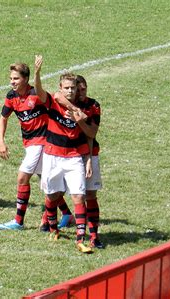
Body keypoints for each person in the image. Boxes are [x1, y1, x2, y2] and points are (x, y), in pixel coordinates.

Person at [0, 56, 74, 230]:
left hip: (42, 143)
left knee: (22, 177)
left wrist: (38, 73)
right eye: (10, 79)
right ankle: (67, 214)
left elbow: (48, 96)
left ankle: (18, 221)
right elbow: (3, 118)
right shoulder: (11, 96)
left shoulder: (35, 95)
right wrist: (1, 140)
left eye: (16, 79)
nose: (12, 82)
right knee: (46, 183)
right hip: (29, 144)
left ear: (25, 79)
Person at [35, 60, 94, 253]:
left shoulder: (85, 107)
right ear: (61, 88)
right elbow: (47, 93)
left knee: (78, 196)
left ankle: (80, 239)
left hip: (74, 157)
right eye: (66, 88)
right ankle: (53, 228)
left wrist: (87, 160)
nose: (69, 91)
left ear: (78, 89)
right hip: (53, 155)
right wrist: (37, 73)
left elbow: (90, 134)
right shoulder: (54, 100)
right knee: (52, 195)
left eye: (73, 88)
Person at [74, 75, 104, 249]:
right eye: (78, 90)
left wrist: (89, 160)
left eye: (84, 88)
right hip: (71, 155)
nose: (82, 93)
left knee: (91, 194)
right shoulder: (70, 105)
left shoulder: (94, 105)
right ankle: (49, 222)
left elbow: (92, 134)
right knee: (58, 192)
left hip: (90, 154)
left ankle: (94, 236)